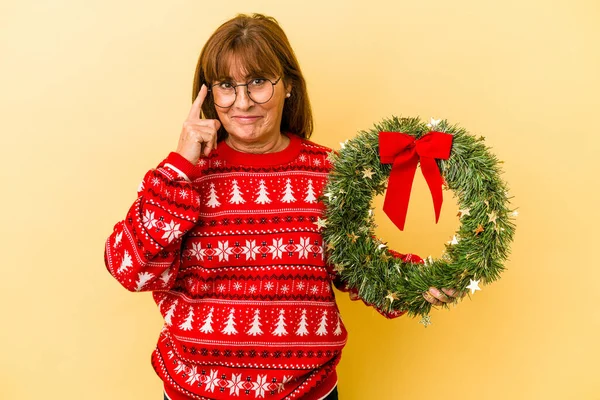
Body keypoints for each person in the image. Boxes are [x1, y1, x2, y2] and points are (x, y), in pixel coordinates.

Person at [103, 13, 465, 400]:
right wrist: (180, 165)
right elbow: (130, 268)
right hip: (195, 391)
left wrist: (417, 282)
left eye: (258, 81)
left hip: (306, 392)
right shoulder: (184, 176)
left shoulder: (329, 173)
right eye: (226, 86)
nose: (243, 102)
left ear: (288, 84)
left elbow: (355, 266)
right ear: (207, 96)